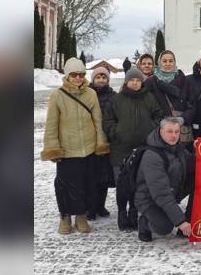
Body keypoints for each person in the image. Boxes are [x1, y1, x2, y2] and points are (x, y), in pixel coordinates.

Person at [40, 58, 109, 235]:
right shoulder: (58, 95)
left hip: (88, 148)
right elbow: (51, 125)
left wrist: (100, 143)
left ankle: (80, 215)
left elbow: (97, 120)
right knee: (65, 185)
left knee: (86, 184)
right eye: (74, 74)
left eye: (81, 74)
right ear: (67, 75)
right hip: (67, 149)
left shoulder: (91, 94)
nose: (78, 78)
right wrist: (52, 147)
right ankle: (65, 216)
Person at [103, 67, 164, 231]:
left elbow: (159, 116)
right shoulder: (117, 99)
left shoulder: (148, 97)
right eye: (132, 80)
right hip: (121, 149)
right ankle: (122, 213)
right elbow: (108, 119)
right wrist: (116, 131)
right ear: (126, 82)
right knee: (122, 183)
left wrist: (152, 129)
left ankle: (134, 212)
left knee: (138, 183)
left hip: (143, 149)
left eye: (138, 80)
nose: (135, 83)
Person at [134, 117, 192, 242]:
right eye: (170, 131)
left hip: (171, 190)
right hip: (148, 199)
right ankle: (144, 223)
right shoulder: (152, 156)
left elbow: (194, 164)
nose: (174, 136)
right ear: (161, 132)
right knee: (164, 227)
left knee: (198, 181)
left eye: (177, 132)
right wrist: (180, 221)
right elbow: (161, 194)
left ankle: (191, 218)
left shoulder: (178, 148)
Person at [144, 50, 192, 146]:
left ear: (174, 62)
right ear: (159, 62)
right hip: (159, 130)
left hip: (180, 130)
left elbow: (192, 105)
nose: (168, 64)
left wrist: (183, 119)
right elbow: (145, 106)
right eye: (164, 61)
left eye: (171, 61)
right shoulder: (151, 82)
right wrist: (158, 122)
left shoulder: (184, 80)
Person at [87, 66, 116, 220]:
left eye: (104, 77)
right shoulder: (87, 94)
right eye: (98, 77)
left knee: (104, 176)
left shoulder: (113, 96)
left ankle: (100, 205)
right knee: (90, 176)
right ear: (93, 79)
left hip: (106, 140)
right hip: (90, 140)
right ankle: (90, 208)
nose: (101, 80)